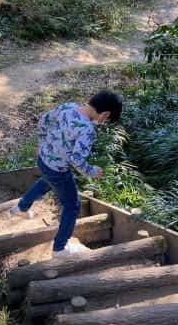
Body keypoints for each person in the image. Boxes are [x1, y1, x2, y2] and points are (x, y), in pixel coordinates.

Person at [9, 90, 123, 257]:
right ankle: (60, 248)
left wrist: (41, 144)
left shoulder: (68, 107)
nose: (102, 122)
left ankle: (21, 207)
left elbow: (43, 120)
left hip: (44, 161)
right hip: (58, 170)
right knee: (72, 205)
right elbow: (76, 159)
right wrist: (92, 171)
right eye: (106, 120)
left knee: (46, 182)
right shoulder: (87, 129)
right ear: (105, 113)